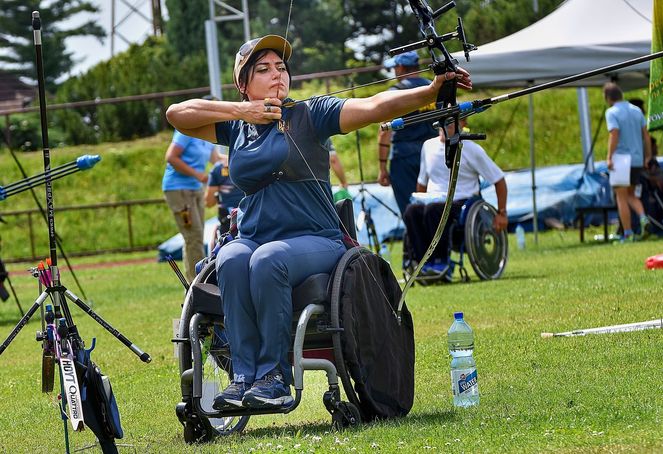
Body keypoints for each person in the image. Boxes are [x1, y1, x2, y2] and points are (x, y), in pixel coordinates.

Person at [166, 34, 471, 411]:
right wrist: (242, 112)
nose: (277, 75)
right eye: (263, 69)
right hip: (254, 236)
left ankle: (275, 379)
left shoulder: (311, 115)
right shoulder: (235, 128)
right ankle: (244, 378)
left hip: (318, 240)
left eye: (281, 67)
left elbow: (375, 105)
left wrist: (430, 91)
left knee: (268, 259)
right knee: (230, 259)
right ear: (243, 85)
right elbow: (177, 114)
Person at [403, 118, 508, 276]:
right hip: (433, 200)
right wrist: (420, 201)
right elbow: (422, 182)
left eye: (451, 123)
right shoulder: (428, 146)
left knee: (434, 210)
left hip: (462, 201)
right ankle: (421, 261)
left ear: (462, 123)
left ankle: (441, 261)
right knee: (412, 211)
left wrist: (502, 212)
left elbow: (499, 180)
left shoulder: (472, 149)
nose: (446, 126)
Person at [377, 51, 439, 216]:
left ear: (401, 67)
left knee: (411, 212)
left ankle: (420, 240)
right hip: (434, 154)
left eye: (395, 68)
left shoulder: (396, 92)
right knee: (436, 207)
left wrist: (382, 168)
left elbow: (384, 132)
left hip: (404, 158)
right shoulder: (433, 88)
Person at [162, 128, 220, 280]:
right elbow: (171, 157)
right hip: (179, 191)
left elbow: (217, 160)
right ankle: (199, 283)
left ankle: (194, 282)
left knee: (196, 237)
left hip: (196, 190)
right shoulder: (185, 133)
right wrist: (198, 175)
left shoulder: (207, 137)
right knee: (193, 236)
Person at [603, 82, 652, 241]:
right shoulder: (636, 110)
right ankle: (643, 218)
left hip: (621, 159)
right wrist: (648, 156)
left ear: (608, 98)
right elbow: (646, 135)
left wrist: (609, 156)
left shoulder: (612, 112)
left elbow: (614, 134)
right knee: (632, 194)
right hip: (637, 159)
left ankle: (628, 234)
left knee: (621, 196)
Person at [205, 153, 245, 237]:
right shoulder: (255, 164)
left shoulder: (218, 169)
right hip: (252, 214)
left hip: (228, 221)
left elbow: (209, 202)